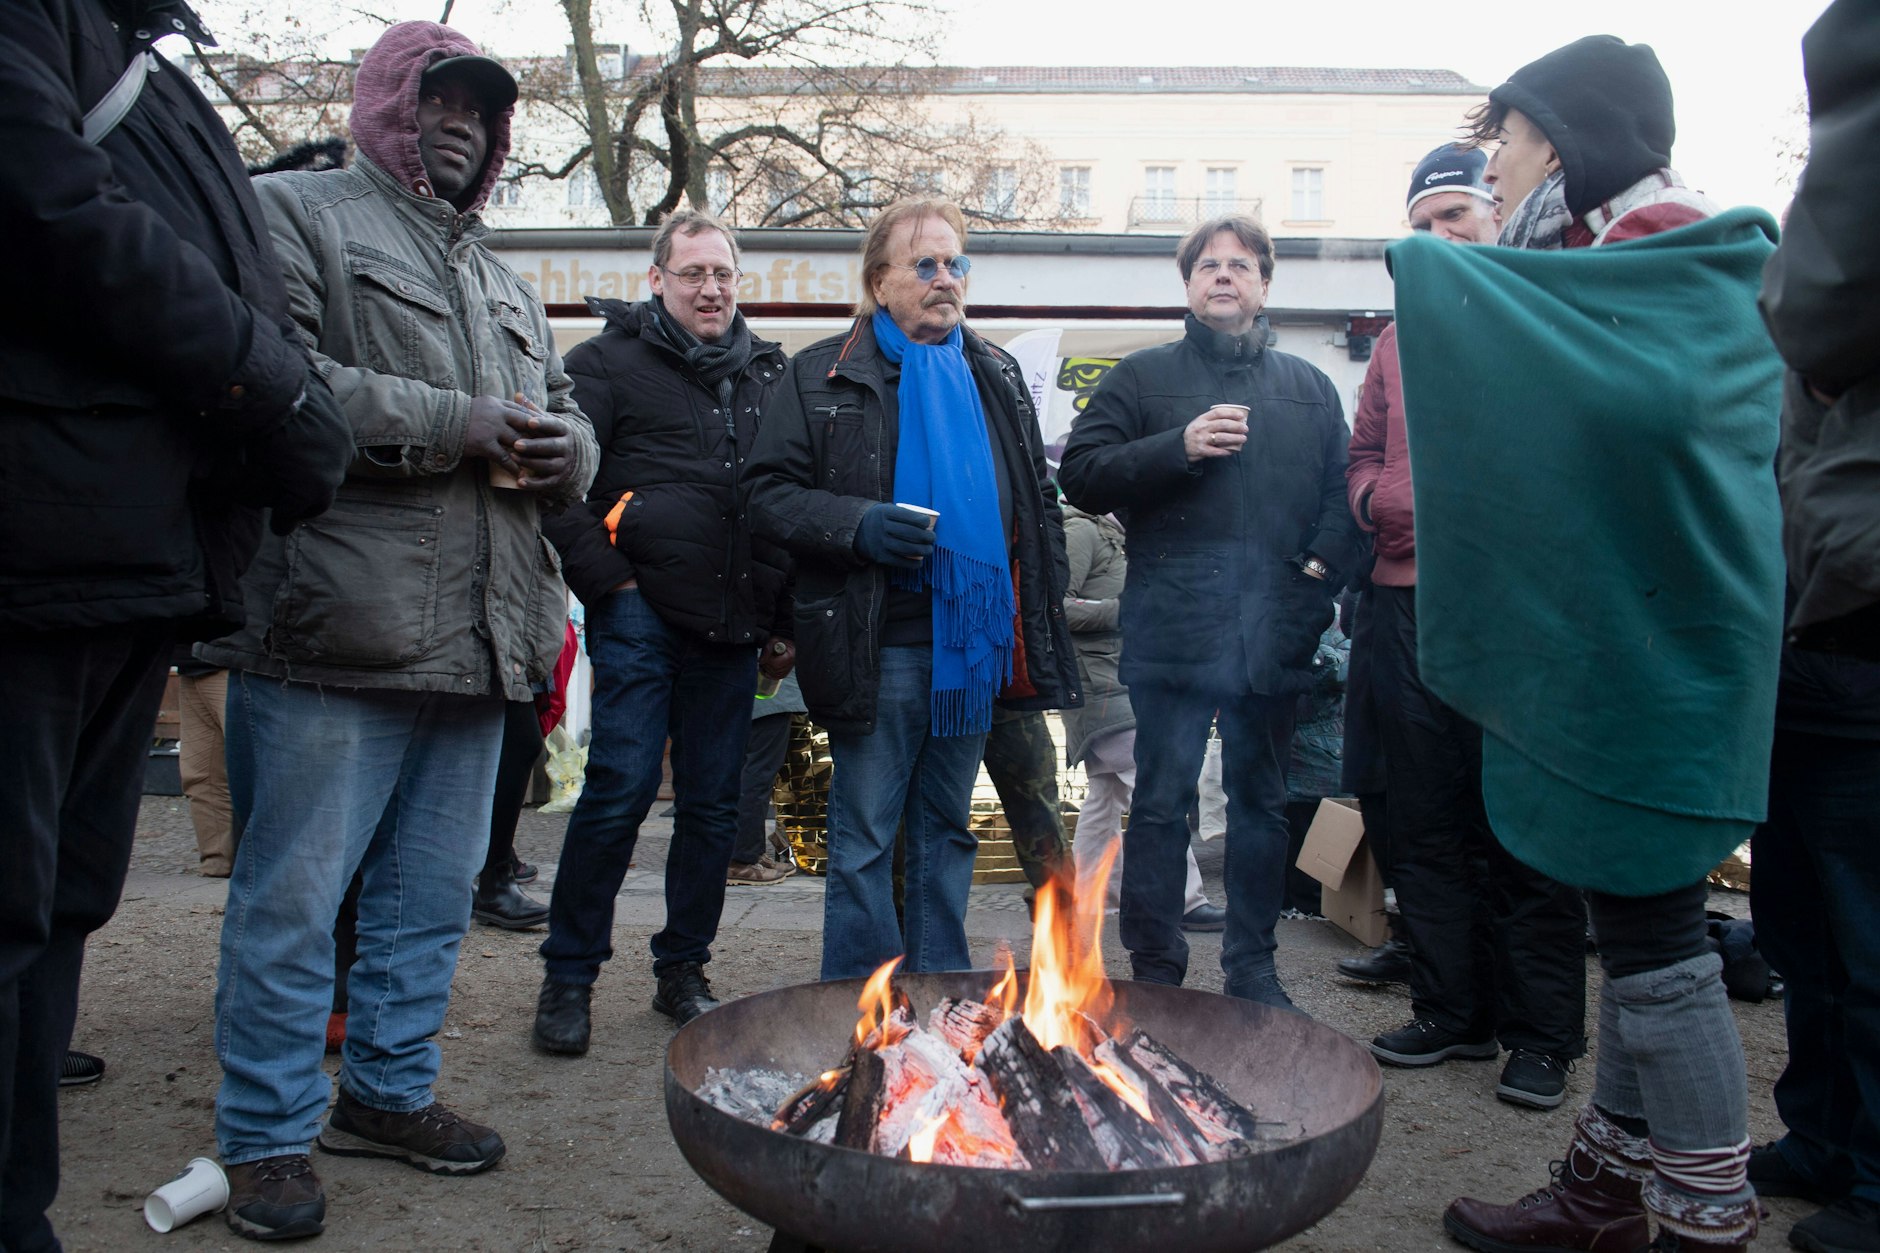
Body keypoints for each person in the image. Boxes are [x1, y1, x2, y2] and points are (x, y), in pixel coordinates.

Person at [198, 22, 597, 1241]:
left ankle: (386, 1090)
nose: (463, 126)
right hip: (335, 629)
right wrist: (461, 421)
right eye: (440, 101)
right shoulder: (294, 213)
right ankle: (265, 1132)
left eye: (484, 110)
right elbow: (280, 379)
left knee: (428, 899)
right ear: (383, 102)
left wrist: (560, 448)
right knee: (294, 899)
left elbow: (574, 422)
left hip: (481, 638)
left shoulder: (501, 277)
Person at [1387, 37, 1783, 1253]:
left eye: (1503, 137)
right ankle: (1607, 1189)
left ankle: (1705, 1216)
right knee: (1633, 920)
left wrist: (1431, 271)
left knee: (1659, 936)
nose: (1490, 164)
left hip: (1669, 653)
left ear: (1557, 140)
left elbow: (1639, 413)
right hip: (1629, 644)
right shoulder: (1598, 264)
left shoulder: (1676, 250)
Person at [0, 2, 352, 1248]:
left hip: (124, 546)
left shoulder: (128, 44)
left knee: (59, 899)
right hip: (37, 537)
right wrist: (277, 386)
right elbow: (59, 208)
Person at [746, 197, 1079, 982]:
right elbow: (764, 494)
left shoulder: (993, 370)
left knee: (947, 828)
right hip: (878, 640)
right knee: (865, 833)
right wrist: (858, 523)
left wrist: (1044, 591)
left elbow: (1036, 497)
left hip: (974, 645)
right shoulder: (822, 371)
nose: (944, 278)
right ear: (878, 279)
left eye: (955, 262)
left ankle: (936, 994)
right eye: (923, 263)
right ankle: (861, 1003)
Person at [1059, 214, 1360, 1012]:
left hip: (1274, 629)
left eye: (1240, 265)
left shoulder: (1308, 385)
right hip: (1172, 629)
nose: (1223, 276)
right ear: (1188, 284)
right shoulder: (1143, 377)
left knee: (1262, 805)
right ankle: (1156, 969)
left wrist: (1317, 580)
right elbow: (1081, 474)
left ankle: (1253, 969)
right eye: (1208, 266)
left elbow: (1342, 493)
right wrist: (1177, 446)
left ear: (1265, 283)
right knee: (1161, 802)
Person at [1349, 144, 1587, 1109]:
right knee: (1427, 821)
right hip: (1406, 603)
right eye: (1425, 223)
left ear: (1497, 217)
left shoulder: (1543, 316)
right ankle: (1454, 1012)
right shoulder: (1395, 342)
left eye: (1458, 214)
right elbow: (1362, 450)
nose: (1443, 234)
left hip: (1516, 606)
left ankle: (1541, 1036)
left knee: (1525, 825)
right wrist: (1376, 502)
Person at [531, 208, 793, 1052]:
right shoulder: (602, 363)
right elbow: (553, 483)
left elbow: (783, 499)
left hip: (732, 618)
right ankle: (568, 977)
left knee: (714, 810)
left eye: (722, 274)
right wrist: (609, 581)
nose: (710, 287)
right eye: (693, 274)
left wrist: (780, 617)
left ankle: (683, 967)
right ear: (658, 280)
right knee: (619, 788)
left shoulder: (767, 374)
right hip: (640, 606)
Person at [1749, 5, 1880, 1248]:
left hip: (1860, 611)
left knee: (1860, 918)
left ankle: (1874, 1179)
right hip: (1816, 607)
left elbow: (1810, 306)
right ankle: (1822, 1134)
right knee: (1803, 915)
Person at [1061, 504, 1222, 929]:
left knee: (1106, 798)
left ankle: (1091, 901)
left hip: (1117, 681)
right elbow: (1054, 606)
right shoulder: (1082, 531)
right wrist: (1124, 609)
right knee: (1153, 783)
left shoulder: (1124, 536)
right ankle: (1184, 900)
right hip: (1101, 686)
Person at [731, 672, 807, 885]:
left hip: (760, 689)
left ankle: (750, 853)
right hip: (770, 689)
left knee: (752, 772)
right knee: (757, 775)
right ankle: (741, 859)